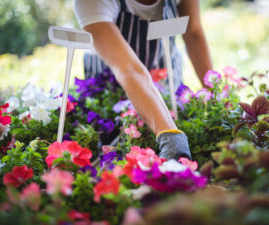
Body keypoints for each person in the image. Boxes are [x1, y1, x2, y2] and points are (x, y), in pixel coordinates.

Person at [74, 0, 212, 160]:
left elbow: (193, 33)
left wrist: (216, 97)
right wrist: (171, 138)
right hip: (112, 91)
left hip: (165, 78)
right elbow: (129, 70)